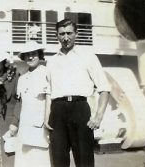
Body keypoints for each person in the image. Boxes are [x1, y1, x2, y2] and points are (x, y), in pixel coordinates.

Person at [46, 19, 111, 167]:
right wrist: (46, 118)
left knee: (84, 160)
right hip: (57, 111)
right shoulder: (52, 61)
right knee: (58, 160)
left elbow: (104, 88)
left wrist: (98, 116)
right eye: (61, 34)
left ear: (76, 34)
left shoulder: (88, 56)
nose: (65, 37)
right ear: (57, 35)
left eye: (69, 33)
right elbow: (49, 92)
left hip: (80, 109)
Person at [9, 41, 51, 167]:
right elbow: (20, 102)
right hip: (25, 127)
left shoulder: (47, 73)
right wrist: (14, 123)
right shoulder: (22, 78)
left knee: (41, 160)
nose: (31, 57)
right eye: (27, 55)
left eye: (34, 54)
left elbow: (51, 100)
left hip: (41, 126)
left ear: (39, 55)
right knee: (24, 161)